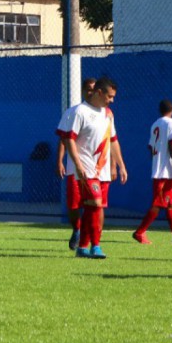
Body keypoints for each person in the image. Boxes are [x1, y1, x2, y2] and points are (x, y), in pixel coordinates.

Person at [61, 76, 128, 259]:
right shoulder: (79, 112)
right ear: (99, 92)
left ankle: (83, 247)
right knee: (95, 204)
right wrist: (77, 164)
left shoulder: (107, 114)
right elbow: (69, 140)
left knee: (95, 208)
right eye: (110, 96)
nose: (112, 100)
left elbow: (113, 141)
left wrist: (120, 165)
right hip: (86, 170)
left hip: (103, 170)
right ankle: (96, 246)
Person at [133, 100, 172, 245]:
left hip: (160, 169)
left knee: (170, 203)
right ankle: (139, 232)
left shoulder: (155, 124)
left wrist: (158, 161)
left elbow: (150, 147)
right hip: (165, 171)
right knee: (158, 204)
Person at [56, 78, 96, 250]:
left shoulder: (105, 114)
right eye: (87, 89)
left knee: (93, 204)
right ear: (81, 91)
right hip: (75, 168)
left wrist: (113, 164)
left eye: (93, 90)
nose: (90, 92)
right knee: (73, 205)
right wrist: (60, 160)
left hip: (95, 170)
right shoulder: (74, 112)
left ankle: (90, 241)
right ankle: (77, 229)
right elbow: (64, 139)